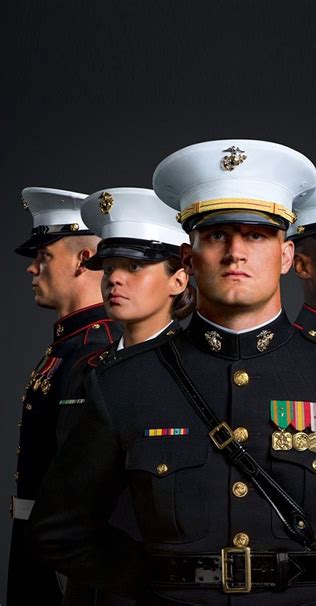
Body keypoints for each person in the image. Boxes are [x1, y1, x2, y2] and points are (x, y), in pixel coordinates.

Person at [28, 142, 316, 606]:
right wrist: (160, 582)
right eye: (218, 235)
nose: (236, 252)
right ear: (189, 258)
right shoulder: (122, 383)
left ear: (285, 256)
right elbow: (58, 532)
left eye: (257, 235)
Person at [57, 187, 195, 606]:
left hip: (163, 585)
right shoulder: (85, 368)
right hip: (88, 582)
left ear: (179, 279)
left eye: (134, 266)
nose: (114, 278)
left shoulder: (197, 371)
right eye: (109, 266)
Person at [8, 187, 122, 606]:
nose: (32, 269)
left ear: (82, 260)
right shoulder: (69, 345)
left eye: (44, 256)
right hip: (42, 545)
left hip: (70, 561)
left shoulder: (97, 350)